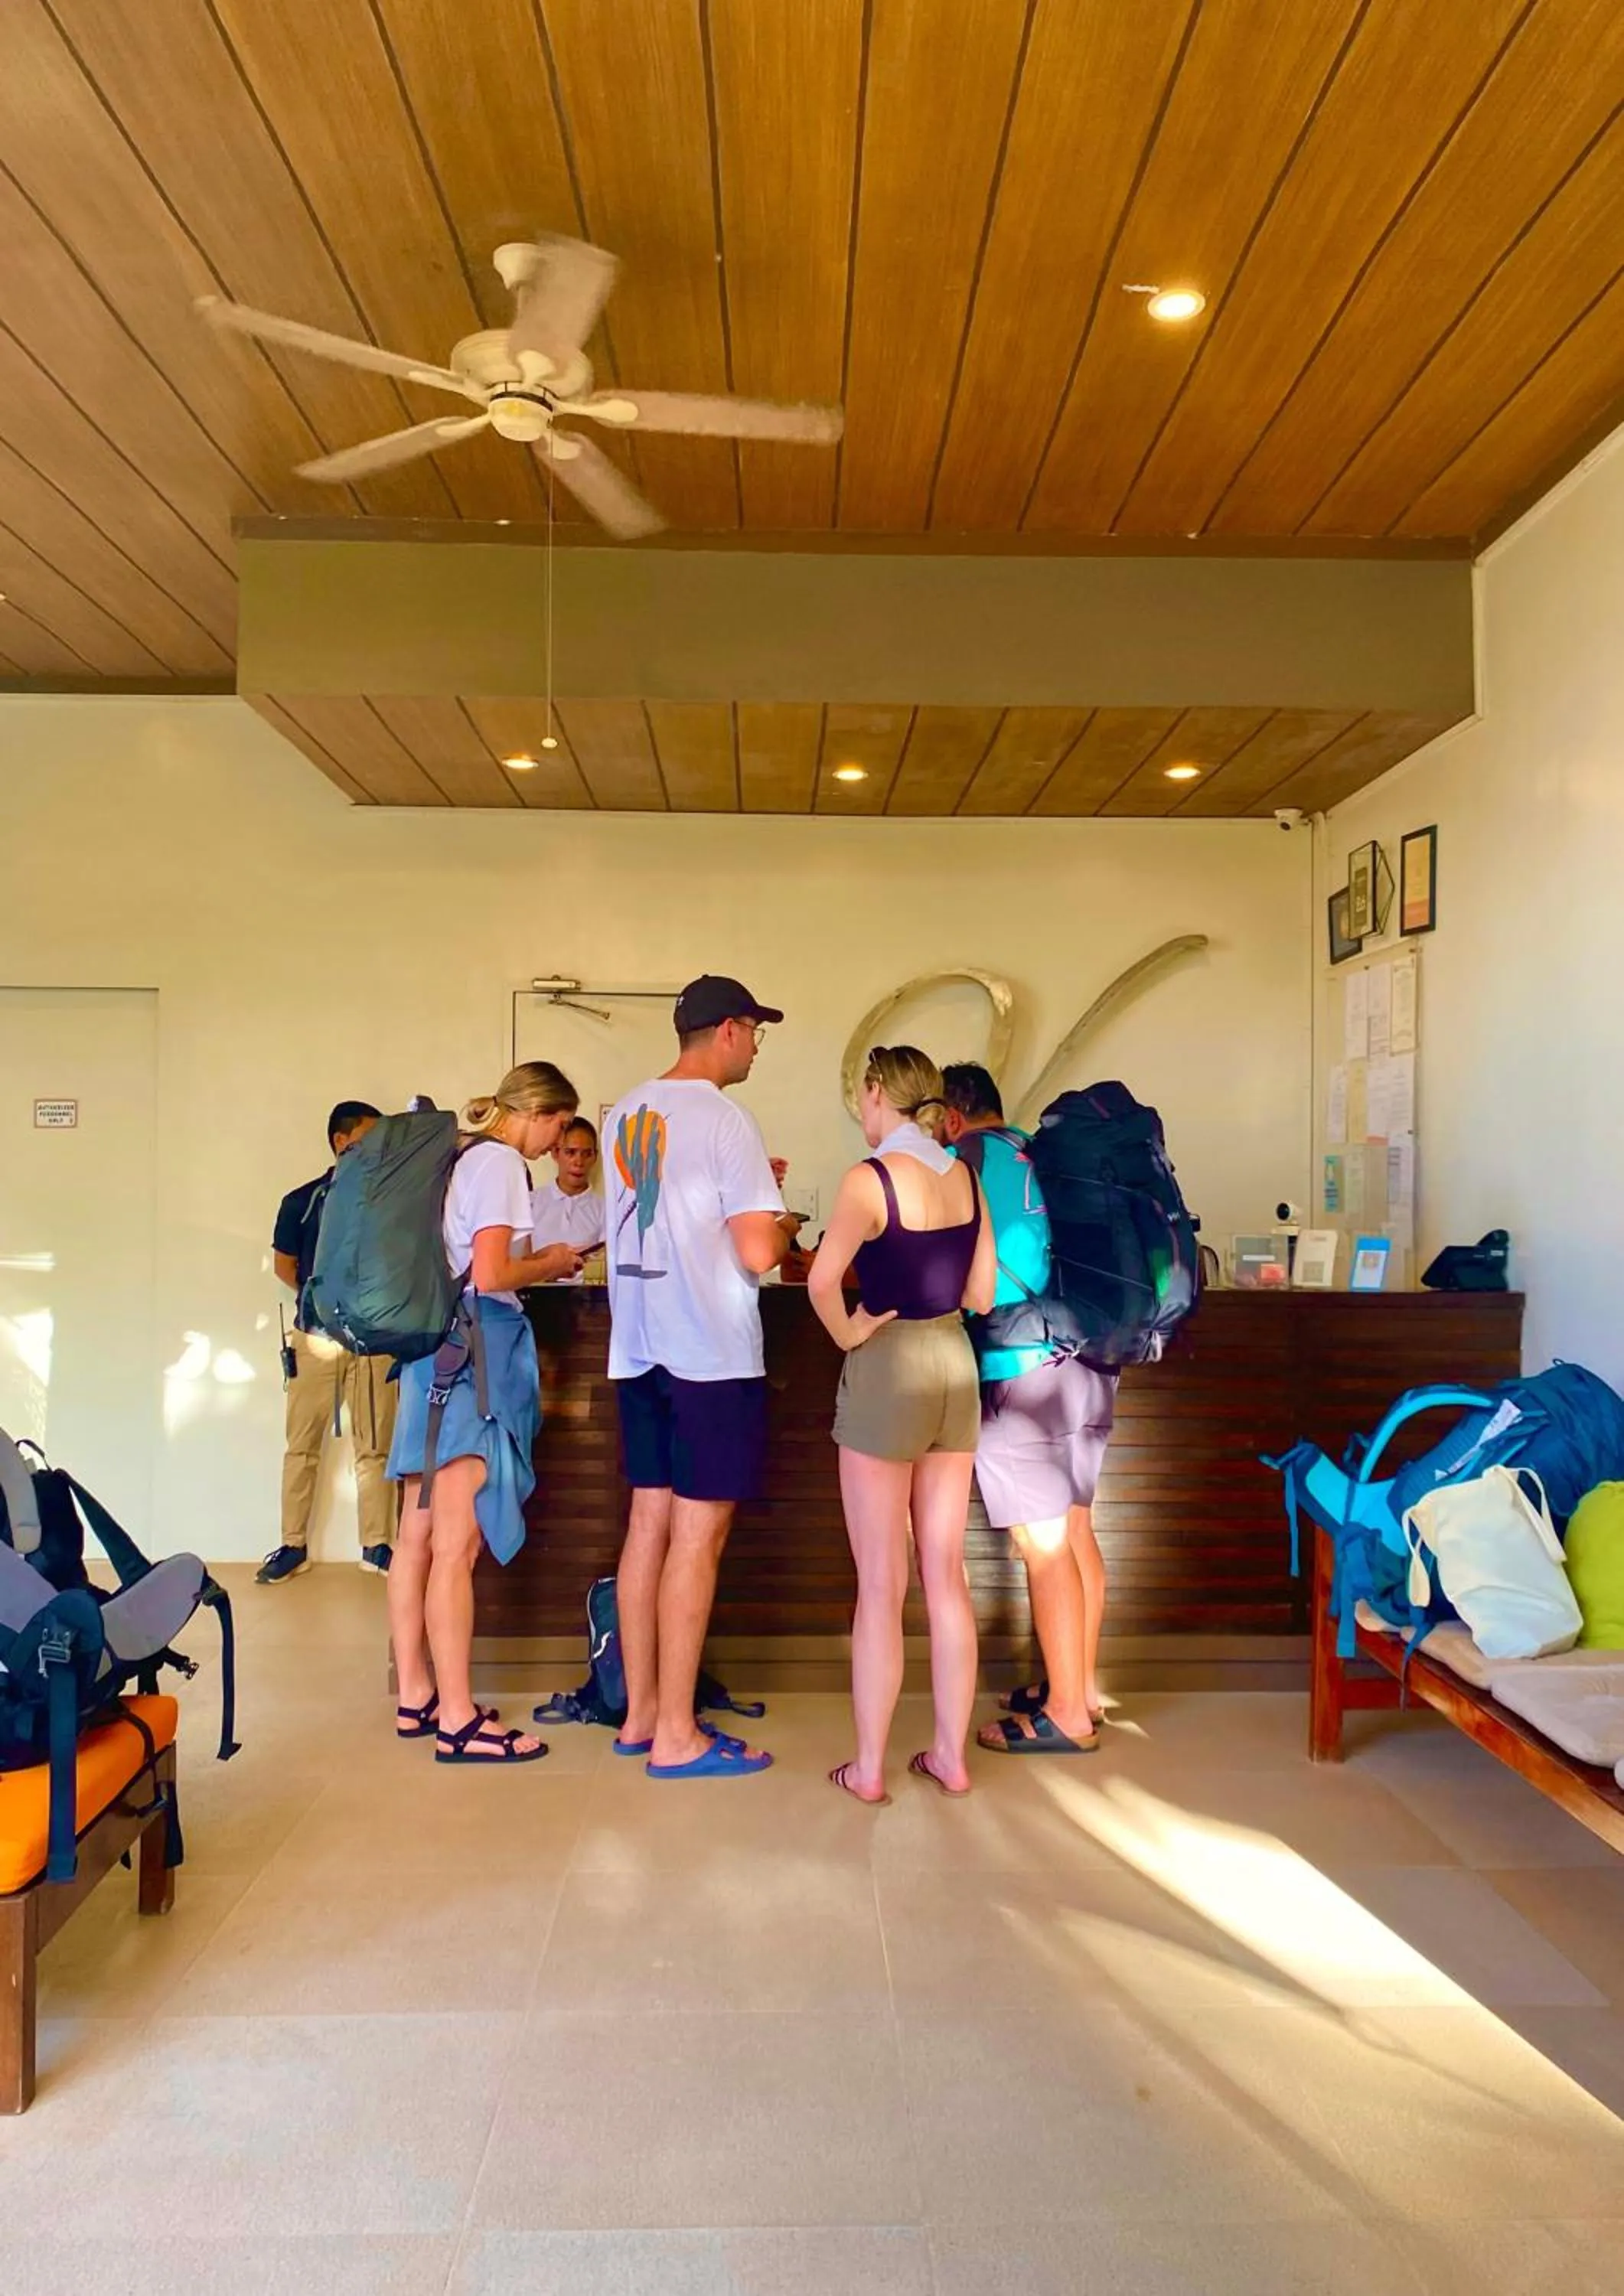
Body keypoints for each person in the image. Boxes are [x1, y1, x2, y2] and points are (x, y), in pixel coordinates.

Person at [603, 975, 801, 1779]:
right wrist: (783, 1218)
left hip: (639, 1345)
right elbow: (757, 1252)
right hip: (709, 1354)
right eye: (755, 1031)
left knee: (646, 1525)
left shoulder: (624, 1110)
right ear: (727, 1029)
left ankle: (642, 1715)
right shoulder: (724, 1119)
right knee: (698, 1535)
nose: (756, 1045)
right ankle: (680, 1736)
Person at [808, 1047, 996, 1804]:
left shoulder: (870, 1179)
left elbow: (823, 1281)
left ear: (878, 1092)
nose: (860, 1108)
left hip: (889, 1368)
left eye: (861, 1095)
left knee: (881, 1583)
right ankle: (950, 1757)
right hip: (954, 1364)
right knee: (944, 1575)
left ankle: (868, 1768)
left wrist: (851, 1333)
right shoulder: (964, 1175)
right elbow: (980, 1291)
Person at [386, 1062, 585, 1764]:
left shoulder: (458, 1154)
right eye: (560, 1125)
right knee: (456, 1546)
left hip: (429, 1351)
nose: (559, 1140)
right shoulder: (501, 1163)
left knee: (417, 1536)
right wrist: (554, 1260)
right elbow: (496, 1273)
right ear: (538, 1112)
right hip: (472, 1354)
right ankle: (460, 1720)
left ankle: (417, 1696)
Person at [940, 1062, 1118, 1755]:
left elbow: (958, 1273)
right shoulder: (1038, 1153)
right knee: (1074, 1533)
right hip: (1088, 1359)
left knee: (1040, 1548)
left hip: (1023, 1365)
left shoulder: (965, 1161)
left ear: (952, 1116)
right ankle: (1080, 1689)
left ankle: (1067, 1715)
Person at [265, 1101, 396, 1585]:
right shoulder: (303, 1200)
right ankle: (292, 1546)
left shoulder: (388, 1202)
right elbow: (285, 1266)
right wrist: (322, 1300)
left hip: (375, 1337)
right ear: (342, 1142)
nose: (380, 1148)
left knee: (377, 1445)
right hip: (314, 1337)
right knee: (302, 1446)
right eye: (370, 1137)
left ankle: (378, 1546)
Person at [530, 1115, 605, 1280]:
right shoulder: (531, 1203)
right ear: (556, 1153)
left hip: (586, 1301)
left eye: (587, 1154)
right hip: (534, 1297)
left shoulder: (605, 1211)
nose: (579, 1162)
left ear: (595, 1157)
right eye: (570, 1152)